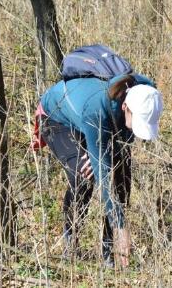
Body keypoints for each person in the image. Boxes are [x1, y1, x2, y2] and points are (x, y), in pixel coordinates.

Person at [38, 72, 163, 268]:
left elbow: (118, 163)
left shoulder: (147, 95)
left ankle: (110, 251)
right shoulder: (96, 110)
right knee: (85, 175)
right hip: (57, 118)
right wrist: (122, 227)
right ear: (125, 108)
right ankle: (71, 246)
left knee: (122, 174)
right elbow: (103, 177)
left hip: (96, 119)